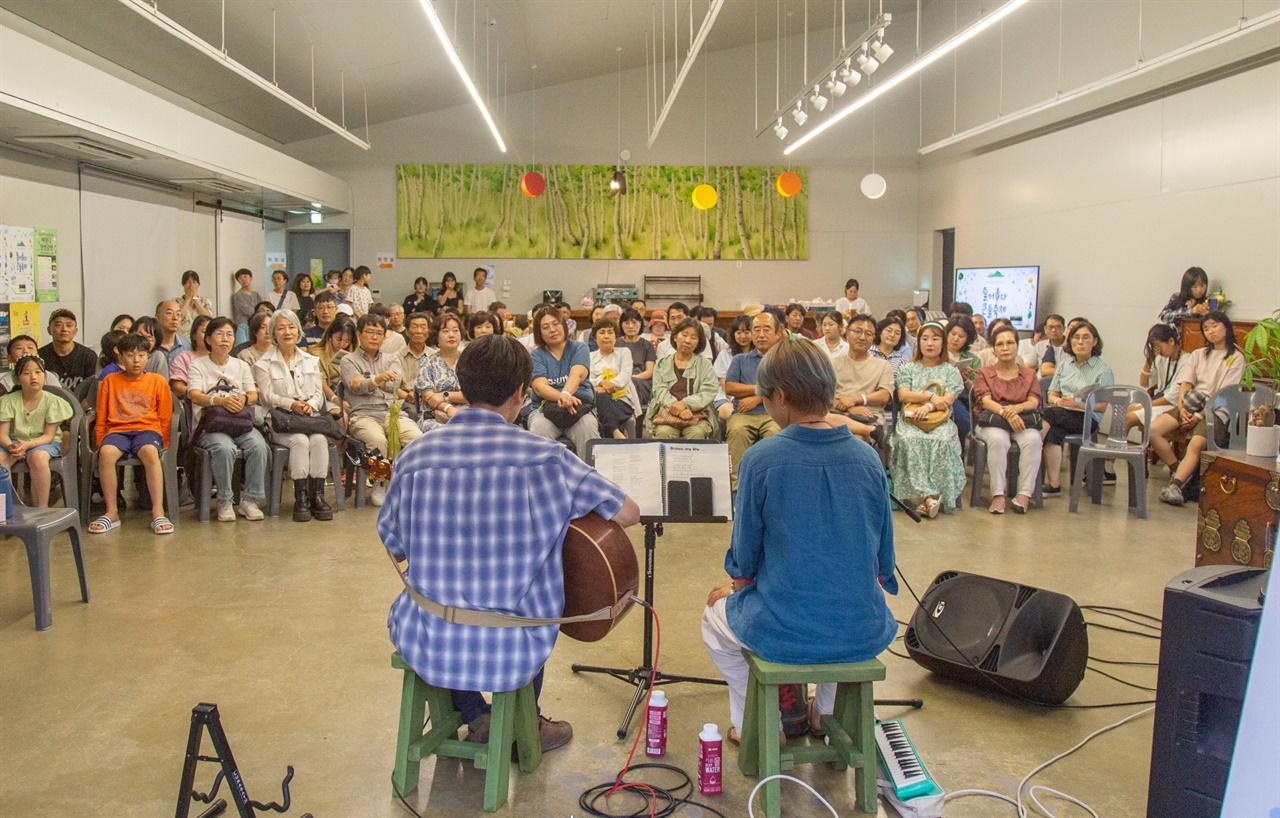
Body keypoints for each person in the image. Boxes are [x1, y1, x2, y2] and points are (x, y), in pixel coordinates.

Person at [378, 334, 641, 754]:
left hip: (426, 634)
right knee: (527, 601)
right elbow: (628, 513)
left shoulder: (414, 456)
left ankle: (475, 716)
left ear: (464, 385)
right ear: (521, 393)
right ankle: (523, 721)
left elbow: (394, 543)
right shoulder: (548, 458)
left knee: (447, 601)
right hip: (515, 643)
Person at [702, 338, 897, 744]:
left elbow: (745, 558)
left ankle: (759, 723)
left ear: (782, 396)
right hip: (863, 626)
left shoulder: (762, 459)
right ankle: (824, 713)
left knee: (713, 621)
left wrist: (736, 590)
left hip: (784, 628)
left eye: (764, 398)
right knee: (840, 605)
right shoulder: (867, 458)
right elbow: (883, 560)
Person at [253, 310, 335, 523]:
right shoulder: (263, 364)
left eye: (291, 327)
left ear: (298, 331)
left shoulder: (311, 360)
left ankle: (317, 495)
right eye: (280, 328)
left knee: (318, 440)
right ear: (273, 334)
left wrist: (309, 405)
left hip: (308, 417)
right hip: (280, 421)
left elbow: (318, 393)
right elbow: (268, 396)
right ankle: (301, 497)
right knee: (299, 441)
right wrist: (292, 404)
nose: (287, 332)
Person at [187, 317, 269, 522]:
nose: (226, 339)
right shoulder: (197, 365)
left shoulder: (240, 366)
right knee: (224, 448)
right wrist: (219, 400)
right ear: (208, 339)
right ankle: (225, 500)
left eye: (230, 334)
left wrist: (241, 398)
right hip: (211, 425)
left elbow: (253, 394)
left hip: (239, 422)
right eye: (220, 334)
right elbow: (194, 395)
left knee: (259, 446)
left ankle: (249, 500)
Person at [90, 333, 173, 535]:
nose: (136, 360)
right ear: (120, 356)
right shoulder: (109, 381)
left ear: (148, 357)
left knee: (150, 453)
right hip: (117, 430)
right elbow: (102, 414)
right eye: (130, 355)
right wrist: (101, 439)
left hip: (147, 429)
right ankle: (112, 512)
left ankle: (158, 511)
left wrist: (164, 440)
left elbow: (165, 414)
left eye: (142, 355)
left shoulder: (157, 381)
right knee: (107, 454)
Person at [1150, 311, 1243, 484]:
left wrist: (1199, 416)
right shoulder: (1198, 354)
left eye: (1215, 326)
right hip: (1190, 404)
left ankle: (1176, 485)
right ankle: (1177, 470)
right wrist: (1183, 408)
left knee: (1196, 444)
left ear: (1227, 328)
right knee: (1154, 430)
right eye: (1206, 328)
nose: (1211, 331)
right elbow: (1185, 385)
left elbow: (1224, 394)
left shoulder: (1236, 358)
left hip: (1215, 410)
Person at [341, 314, 422, 505]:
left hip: (391, 413)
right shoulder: (348, 360)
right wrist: (377, 379)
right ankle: (380, 482)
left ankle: (408, 483)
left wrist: (370, 380)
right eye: (369, 332)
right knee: (377, 440)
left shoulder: (391, 358)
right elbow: (355, 386)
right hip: (363, 416)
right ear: (359, 334)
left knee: (417, 437)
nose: (374, 337)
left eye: (379, 333)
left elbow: (396, 382)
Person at [889, 322, 966, 518]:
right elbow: (904, 395)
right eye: (924, 339)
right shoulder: (909, 368)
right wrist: (930, 397)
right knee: (909, 439)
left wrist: (929, 407)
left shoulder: (950, 371)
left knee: (942, 440)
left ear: (943, 343)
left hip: (939, 421)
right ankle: (928, 499)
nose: (929, 343)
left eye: (935, 339)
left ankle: (929, 497)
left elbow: (948, 399)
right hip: (911, 420)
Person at [973, 325, 1043, 514]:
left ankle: (1024, 495)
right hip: (993, 421)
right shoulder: (984, 373)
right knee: (998, 440)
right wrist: (1007, 413)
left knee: (1034, 439)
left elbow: (1033, 400)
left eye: (1010, 343)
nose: (1005, 348)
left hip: (1022, 420)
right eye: (1000, 344)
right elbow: (986, 401)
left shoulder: (1028, 373)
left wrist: (1017, 409)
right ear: (993, 349)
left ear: (1017, 346)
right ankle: (998, 494)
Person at [1041, 320, 1115, 494]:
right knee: (1053, 434)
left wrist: (1076, 405)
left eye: (1085, 338)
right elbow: (1052, 394)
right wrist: (1060, 401)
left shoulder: (1103, 370)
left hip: (1087, 418)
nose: (1080, 342)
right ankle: (1054, 484)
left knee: (1045, 415)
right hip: (1061, 412)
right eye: (1076, 338)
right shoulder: (1064, 365)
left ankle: (1030, 453)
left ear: (1095, 342)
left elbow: (1102, 406)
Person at [0, 355, 74, 507]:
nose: (33, 377)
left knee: (38, 458)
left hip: (44, 443)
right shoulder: (8, 400)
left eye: (38, 372)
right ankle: (5, 507)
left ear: (45, 376)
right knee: (1, 460)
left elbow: (48, 436)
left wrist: (27, 445)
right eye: (26, 373)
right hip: (14, 442)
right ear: (17, 379)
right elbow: (2, 434)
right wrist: (11, 447)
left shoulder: (53, 401)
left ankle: (42, 507)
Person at [725, 312, 785, 492]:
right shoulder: (740, 360)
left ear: (778, 333)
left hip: (773, 415)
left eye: (767, 329)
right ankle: (736, 491)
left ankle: (771, 488)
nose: (761, 334)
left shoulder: (784, 358)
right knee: (737, 431)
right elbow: (730, 387)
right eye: (756, 330)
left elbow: (786, 387)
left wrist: (757, 397)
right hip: (744, 414)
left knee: (776, 434)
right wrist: (762, 390)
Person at [527, 307, 598, 458]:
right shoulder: (536, 355)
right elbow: (539, 387)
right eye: (545, 327)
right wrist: (562, 397)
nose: (552, 330)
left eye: (556, 324)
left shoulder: (580, 348)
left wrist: (566, 394)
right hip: (544, 410)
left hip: (579, 408)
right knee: (539, 428)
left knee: (588, 429)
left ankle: (588, 478)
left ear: (564, 325)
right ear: (539, 333)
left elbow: (577, 374)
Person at [646, 319, 718, 440]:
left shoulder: (704, 364)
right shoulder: (661, 363)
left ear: (699, 343)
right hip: (668, 412)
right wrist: (677, 408)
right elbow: (659, 391)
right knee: (663, 433)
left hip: (697, 415)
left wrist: (685, 404)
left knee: (696, 433)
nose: (687, 340)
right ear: (675, 337)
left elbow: (709, 391)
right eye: (684, 335)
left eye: (694, 337)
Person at [828, 315, 893, 445]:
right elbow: (823, 395)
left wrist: (854, 400)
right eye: (857, 331)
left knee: (856, 439)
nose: (862, 337)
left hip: (868, 415)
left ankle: (868, 431)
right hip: (836, 413)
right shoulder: (831, 363)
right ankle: (869, 431)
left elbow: (884, 395)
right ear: (847, 334)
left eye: (868, 334)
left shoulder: (882, 365)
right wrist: (849, 408)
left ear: (874, 338)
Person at [414, 312, 466, 433]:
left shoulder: (469, 361)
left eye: (455, 330)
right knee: (446, 432)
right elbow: (430, 397)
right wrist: (448, 408)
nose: (451, 335)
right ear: (436, 336)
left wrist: (444, 395)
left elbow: (475, 395)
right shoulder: (427, 363)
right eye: (445, 331)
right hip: (435, 417)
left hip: (466, 415)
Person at [1131, 323, 1184, 430]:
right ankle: (1120, 445)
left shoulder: (1186, 361)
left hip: (1171, 405)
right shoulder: (1162, 358)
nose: (1158, 350)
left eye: (1159, 346)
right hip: (1158, 399)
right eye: (1155, 347)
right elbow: (1144, 383)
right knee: (1126, 411)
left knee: (1129, 417)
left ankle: (1119, 446)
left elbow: (1171, 398)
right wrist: (1149, 359)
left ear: (1171, 341)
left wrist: (1144, 405)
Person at [588, 320, 636, 439]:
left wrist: (609, 386)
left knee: (603, 401)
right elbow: (585, 378)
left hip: (622, 399)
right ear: (595, 338)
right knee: (602, 398)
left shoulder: (624, 352)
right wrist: (601, 382)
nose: (606, 336)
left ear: (616, 336)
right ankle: (616, 432)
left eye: (610, 332)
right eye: (602, 332)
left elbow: (625, 375)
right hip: (598, 399)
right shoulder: (589, 356)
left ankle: (613, 432)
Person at [39, 308, 97, 394]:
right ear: (49, 330)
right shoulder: (40, 356)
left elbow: (93, 387)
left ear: (75, 331)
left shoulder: (88, 355)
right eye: (58, 325)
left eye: (69, 325)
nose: (64, 329)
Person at [944, 315, 980, 441]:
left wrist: (965, 379)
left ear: (967, 339)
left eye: (961, 336)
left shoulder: (973, 360)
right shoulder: (937, 353)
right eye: (953, 334)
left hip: (961, 399)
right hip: (938, 395)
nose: (955, 339)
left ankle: (959, 454)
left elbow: (977, 391)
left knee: (963, 420)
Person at [618, 308, 657, 410]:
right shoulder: (616, 344)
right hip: (619, 381)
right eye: (626, 323)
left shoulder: (647, 345)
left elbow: (649, 371)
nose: (630, 326)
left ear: (640, 324)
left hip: (641, 381)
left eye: (634, 322)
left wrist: (631, 379)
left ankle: (632, 415)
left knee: (632, 384)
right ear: (621, 324)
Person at [169, 315, 211, 400]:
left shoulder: (221, 358)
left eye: (211, 333)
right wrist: (203, 396)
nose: (208, 336)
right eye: (204, 332)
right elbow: (177, 387)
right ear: (194, 335)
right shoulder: (183, 358)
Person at [397, 312, 434, 404]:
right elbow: (392, 386)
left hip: (431, 400)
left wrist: (422, 395)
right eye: (414, 327)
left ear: (428, 332)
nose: (419, 331)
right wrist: (408, 396)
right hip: (405, 401)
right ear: (407, 332)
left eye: (423, 327)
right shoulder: (397, 357)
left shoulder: (435, 356)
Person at [314, 317, 354, 390]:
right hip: (329, 396)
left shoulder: (354, 354)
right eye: (338, 339)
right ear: (330, 335)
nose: (342, 344)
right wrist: (335, 399)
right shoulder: (317, 354)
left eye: (347, 341)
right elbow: (323, 384)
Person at [231, 268, 264, 345]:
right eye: (240, 278)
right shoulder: (238, 295)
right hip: (243, 325)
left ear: (251, 278)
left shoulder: (256, 294)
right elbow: (249, 311)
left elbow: (262, 308)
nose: (243, 279)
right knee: (242, 347)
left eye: (245, 276)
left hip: (255, 325)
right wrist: (259, 313)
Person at [154, 300, 192, 367]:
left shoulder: (188, 345)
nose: (175, 318)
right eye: (169, 313)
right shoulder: (150, 345)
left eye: (178, 314)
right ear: (157, 317)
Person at [176, 270, 212, 339]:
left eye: (194, 282)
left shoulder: (205, 301)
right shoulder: (176, 301)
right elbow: (178, 317)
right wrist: (188, 299)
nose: (191, 285)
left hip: (201, 338)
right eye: (188, 282)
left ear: (198, 284)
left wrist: (195, 298)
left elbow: (207, 317)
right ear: (183, 285)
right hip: (182, 337)